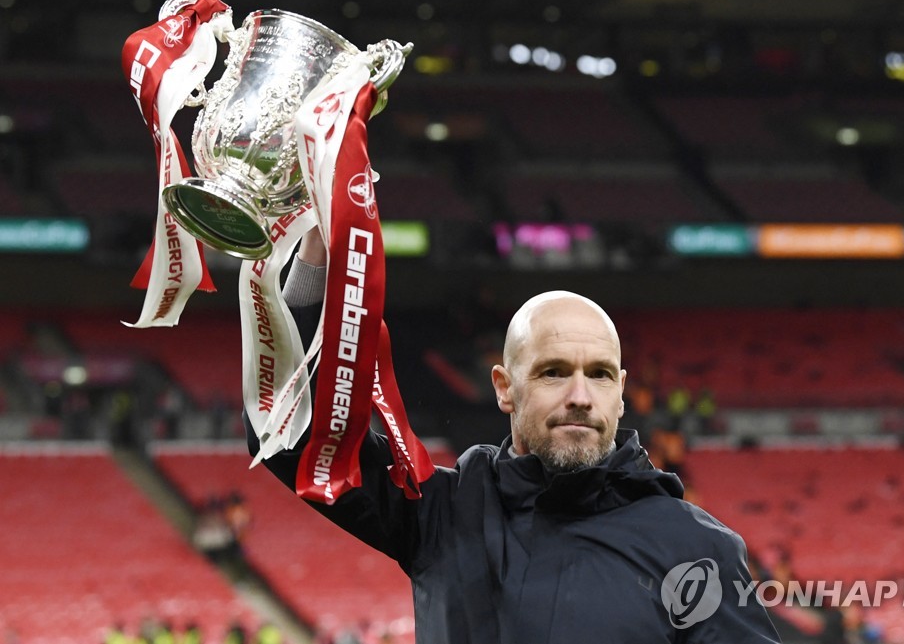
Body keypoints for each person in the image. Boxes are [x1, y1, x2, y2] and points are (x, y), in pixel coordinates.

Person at [248, 230, 781, 643]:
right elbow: (293, 434)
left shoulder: (698, 547)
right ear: (504, 387)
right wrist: (319, 254)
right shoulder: (441, 514)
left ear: (620, 392)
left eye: (598, 374)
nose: (579, 395)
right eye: (552, 372)